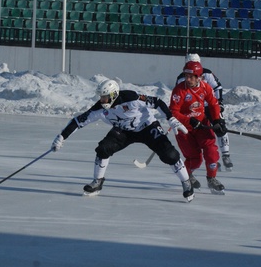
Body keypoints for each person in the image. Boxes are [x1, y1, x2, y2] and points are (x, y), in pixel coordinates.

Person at [50, 79, 196, 202]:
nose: (102, 100)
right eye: (101, 97)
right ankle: (97, 182)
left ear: (113, 95)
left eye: (104, 97)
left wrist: (170, 118)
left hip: (147, 127)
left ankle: (186, 181)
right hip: (124, 131)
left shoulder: (132, 98)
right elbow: (79, 121)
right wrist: (62, 137)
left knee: (169, 154)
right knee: (103, 149)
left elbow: (157, 102)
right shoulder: (99, 108)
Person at [170, 61, 227, 195]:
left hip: (202, 125)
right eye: (186, 76)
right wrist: (189, 120)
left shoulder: (206, 87)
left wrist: (218, 120)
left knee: (211, 151)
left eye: (191, 76)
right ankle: (187, 175)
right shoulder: (179, 90)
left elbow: (213, 104)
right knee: (195, 159)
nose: (188, 79)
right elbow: (173, 111)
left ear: (198, 77)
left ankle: (212, 178)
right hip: (184, 129)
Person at [176, 53, 233, 171]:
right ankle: (211, 160)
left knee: (220, 125)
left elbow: (217, 87)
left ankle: (225, 154)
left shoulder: (207, 73)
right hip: (193, 110)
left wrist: (219, 103)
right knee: (199, 137)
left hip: (209, 106)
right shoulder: (182, 78)